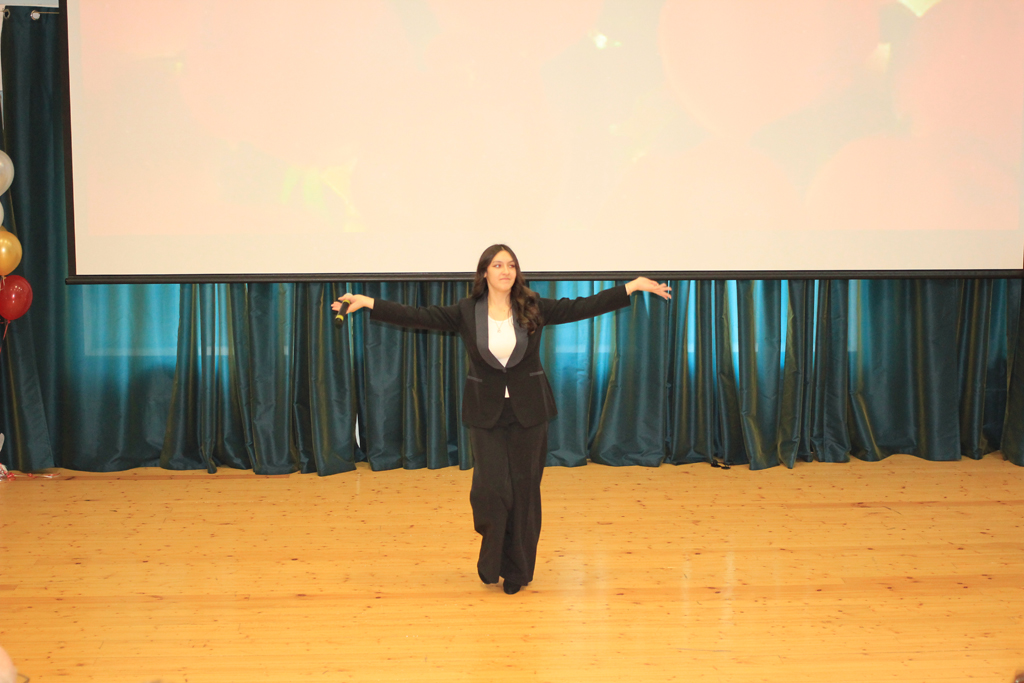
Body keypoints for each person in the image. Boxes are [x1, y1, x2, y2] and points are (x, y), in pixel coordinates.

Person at [333, 244, 671, 594]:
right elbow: (419, 315)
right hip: (486, 412)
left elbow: (581, 306)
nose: (506, 271)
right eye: (497, 265)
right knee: (491, 490)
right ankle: (492, 557)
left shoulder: (533, 305)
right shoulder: (466, 311)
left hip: (530, 411)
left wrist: (631, 286)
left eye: (511, 265)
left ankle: (517, 571)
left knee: (525, 492)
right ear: (484, 272)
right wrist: (369, 302)